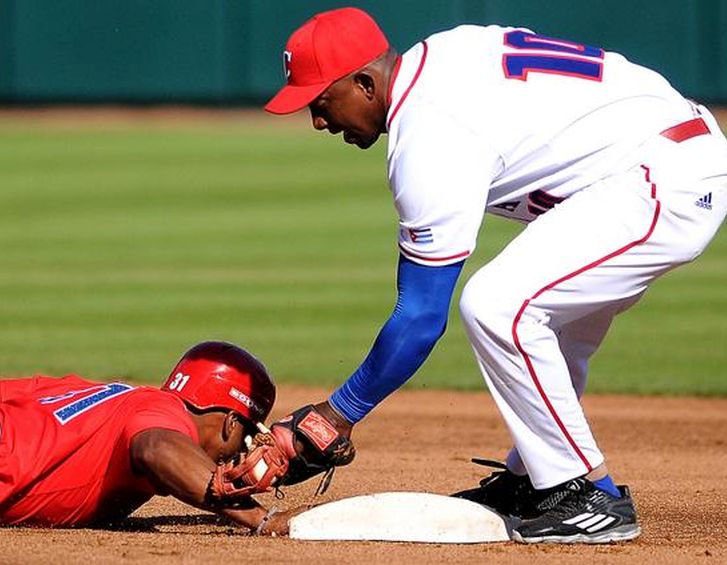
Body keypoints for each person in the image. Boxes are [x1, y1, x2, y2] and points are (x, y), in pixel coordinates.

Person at [264, 7, 727, 544]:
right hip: (659, 156)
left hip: (662, 178)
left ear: (365, 83)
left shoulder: (429, 133)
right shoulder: (444, 53)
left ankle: (583, 495)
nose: (319, 122)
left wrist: (336, 415)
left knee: (498, 307)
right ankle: (534, 477)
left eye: (321, 102)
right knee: (546, 324)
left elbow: (419, 317)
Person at [0, 340, 295, 534]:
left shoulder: (110, 395)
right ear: (231, 423)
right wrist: (263, 519)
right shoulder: (162, 416)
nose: (235, 455)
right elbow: (156, 449)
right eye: (245, 437)